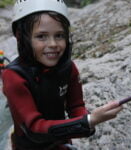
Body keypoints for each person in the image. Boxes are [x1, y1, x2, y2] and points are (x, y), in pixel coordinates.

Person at [2, 0, 123, 150]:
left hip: (60, 143)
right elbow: (35, 129)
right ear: (22, 37)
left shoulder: (68, 68)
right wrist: (89, 121)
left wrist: (87, 121)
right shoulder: (14, 76)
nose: (53, 44)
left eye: (59, 35)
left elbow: (76, 106)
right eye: (41, 36)